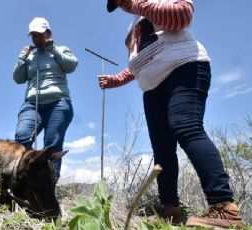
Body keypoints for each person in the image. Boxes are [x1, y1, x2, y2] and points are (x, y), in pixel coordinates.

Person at [100, 0, 243, 228]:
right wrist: (117, 79)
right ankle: (170, 211)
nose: (121, 5)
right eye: (117, 4)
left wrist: (137, 4)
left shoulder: (150, 3)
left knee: (185, 125)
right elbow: (139, 59)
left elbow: (182, 16)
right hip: (151, 87)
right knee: (162, 148)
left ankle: (224, 207)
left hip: (184, 67)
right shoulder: (133, 25)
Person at [13, 17, 78, 181]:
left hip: (58, 103)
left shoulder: (61, 49)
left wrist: (53, 48)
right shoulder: (30, 57)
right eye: (33, 35)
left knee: (52, 144)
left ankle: (49, 184)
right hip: (32, 104)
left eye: (40, 34)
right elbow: (18, 78)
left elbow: (71, 66)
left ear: (48, 33)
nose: (37, 38)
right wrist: (22, 57)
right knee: (22, 137)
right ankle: (21, 180)